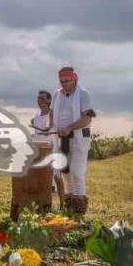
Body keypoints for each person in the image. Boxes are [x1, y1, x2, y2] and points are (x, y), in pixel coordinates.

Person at [49, 67, 95, 214]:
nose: (64, 84)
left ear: (75, 78)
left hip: (79, 137)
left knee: (77, 172)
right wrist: (50, 125)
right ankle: (69, 205)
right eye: (61, 81)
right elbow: (51, 112)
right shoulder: (57, 94)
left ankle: (79, 207)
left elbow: (87, 118)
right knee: (66, 171)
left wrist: (69, 128)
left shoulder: (83, 94)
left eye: (67, 81)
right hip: (61, 138)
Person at [31, 90, 65, 207]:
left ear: (49, 100)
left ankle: (62, 204)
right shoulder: (35, 117)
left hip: (52, 149)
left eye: (43, 99)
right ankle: (42, 204)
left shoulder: (52, 114)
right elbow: (36, 134)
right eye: (39, 99)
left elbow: (49, 127)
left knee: (57, 177)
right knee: (41, 178)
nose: (41, 101)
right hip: (40, 150)